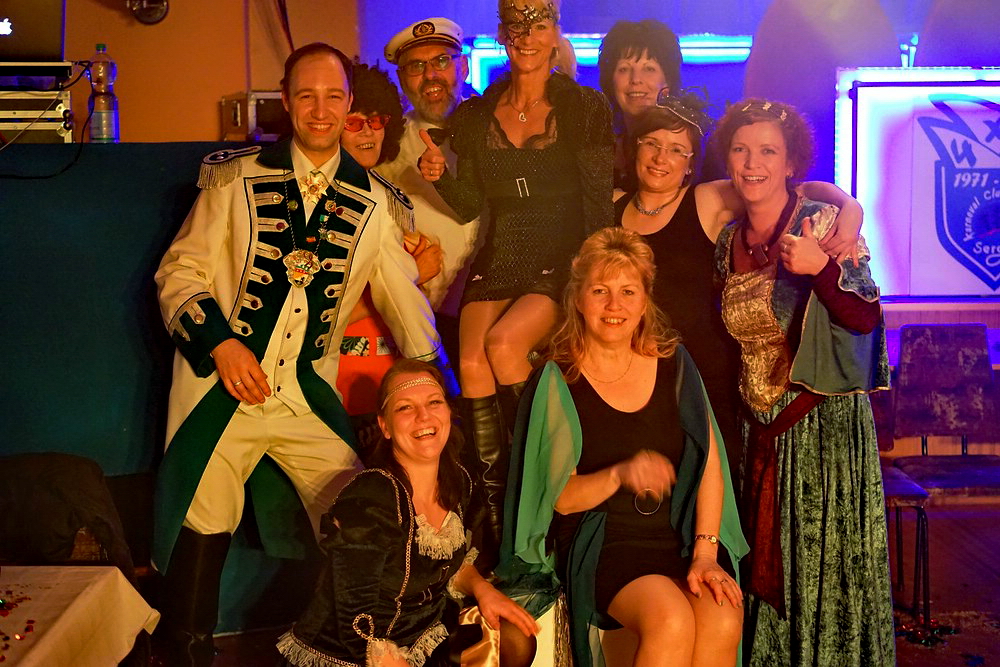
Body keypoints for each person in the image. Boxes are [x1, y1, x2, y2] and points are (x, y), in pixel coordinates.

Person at [153, 43, 449, 665]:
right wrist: (222, 344)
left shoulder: (374, 203)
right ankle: (186, 654)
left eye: (333, 97)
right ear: (286, 102)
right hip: (217, 394)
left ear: (349, 103)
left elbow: (405, 304)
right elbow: (180, 274)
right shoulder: (233, 180)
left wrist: (436, 385)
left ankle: (353, 653)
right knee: (202, 520)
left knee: (364, 516)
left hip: (304, 398)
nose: (320, 110)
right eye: (307, 96)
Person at [419, 0, 614, 562]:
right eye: (516, 26)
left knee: (504, 346)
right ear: (503, 35)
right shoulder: (477, 114)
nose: (526, 36)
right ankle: (500, 519)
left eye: (538, 25)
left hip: (561, 254)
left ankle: (552, 485)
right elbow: (468, 205)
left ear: (554, 34)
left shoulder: (582, 107)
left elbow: (598, 200)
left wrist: (596, 274)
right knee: (470, 360)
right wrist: (439, 176)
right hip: (502, 251)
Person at [498, 227, 747, 666]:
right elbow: (561, 497)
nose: (615, 306)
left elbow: (710, 464)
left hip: (678, 538)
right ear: (578, 299)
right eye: (600, 291)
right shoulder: (559, 379)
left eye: (628, 291)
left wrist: (706, 554)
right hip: (604, 543)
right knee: (669, 618)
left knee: (724, 615)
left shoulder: (675, 364)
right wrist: (620, 474)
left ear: (644, 300)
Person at [713, 98, 894, 666]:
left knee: (824, 576)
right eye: (741, 150)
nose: (752, 164)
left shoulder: (822, 222)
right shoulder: (727, 241)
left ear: (791, 162)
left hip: (822, 436)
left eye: (768, 151)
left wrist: (820, 268)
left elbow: (866, 318)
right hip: (758, 436)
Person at [615, 91, 866, 477]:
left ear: (691, 163)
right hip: (628, 369)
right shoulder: (609, 205)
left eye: (677, 149)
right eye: (651, 143)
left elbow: (790, 187)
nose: (661, 157)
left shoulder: (704, 199)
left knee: (706, 481)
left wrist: (851, 207)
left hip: (700, 374)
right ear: (634, 148)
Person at [277, 359, 538, 667]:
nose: (423, 416)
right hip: (354, 650)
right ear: (385, 427)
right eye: (405, 408)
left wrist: (484, 591)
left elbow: (450, 565)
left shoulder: (459, 480)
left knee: (514, 638)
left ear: (448, 412)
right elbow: (354, 618)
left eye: (434, 402)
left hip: (422, 635)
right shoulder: (372, 496)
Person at [336, 61, 443, 419]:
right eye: (354, 122)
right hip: (338, 388)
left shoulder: (389, 199)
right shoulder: (317, 203)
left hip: (392, 382)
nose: (368, 131)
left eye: (377, 120)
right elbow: (309, 322)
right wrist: (413, 274)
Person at [381, 17, 481, 358]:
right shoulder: (387, 145)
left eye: (441, 61)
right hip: (427, 315)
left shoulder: (499, 127)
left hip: (496, 307)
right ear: (402, 80)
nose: (430, 76)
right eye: (416, 67)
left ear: (463, 67)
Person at [597, 19, 682, 188]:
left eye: (649, 68)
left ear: (668, 80)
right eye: (624, 69)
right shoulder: (597, 152)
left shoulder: (689, 147)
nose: (635, 79)